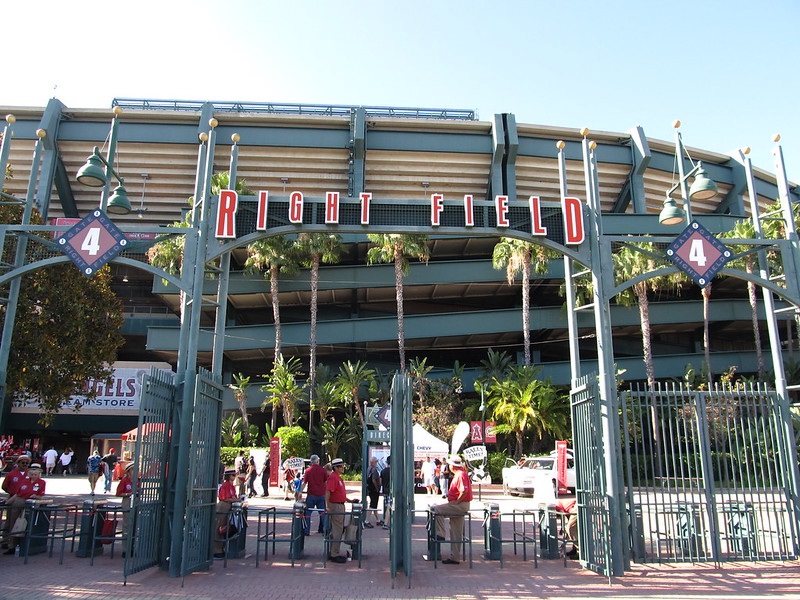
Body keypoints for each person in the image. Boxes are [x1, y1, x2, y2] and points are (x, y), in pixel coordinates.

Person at [424, 454, 473, 565]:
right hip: (460, 504)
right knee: (456, 532)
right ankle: (455, 557)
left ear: (452, 466)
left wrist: (457, 502)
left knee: (435, 510)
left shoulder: (460, 475)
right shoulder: (461, 474)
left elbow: (463, 490)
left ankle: (440, 534)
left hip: (459, 504)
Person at [3, 462, 46, 554]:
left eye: (35, 474)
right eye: (32, 473)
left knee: (24, 525)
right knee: (13, 523)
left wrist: (36, 496)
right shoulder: (24, 481)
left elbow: (41, 496)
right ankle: (11, 545)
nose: (33, 476)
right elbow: (17, 494)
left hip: (29, 504)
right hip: (18, 502)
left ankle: (22, 545)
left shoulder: (42, 482)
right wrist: (7, 502)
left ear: (39, 473)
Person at [324, 458, 357, 563]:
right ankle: (334, 554)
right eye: (341, 466)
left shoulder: (338, 478)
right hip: (336, 506)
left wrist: (349, 500)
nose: (343, 468)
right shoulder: (333, 478)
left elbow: (339, 493)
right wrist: (327, 506)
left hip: (340, 505)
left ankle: (334, 551)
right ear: (335, 468)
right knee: (337, 530)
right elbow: (328, 492)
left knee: (338, 529)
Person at [1, 455, 31, 546]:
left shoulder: (30, 474)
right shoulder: (11, 474)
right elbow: (4, 486)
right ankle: (7, 540)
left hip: (25, 500)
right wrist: (12, 493)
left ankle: (18, 541)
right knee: (10, 520)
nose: (25, 464)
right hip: (13, 499)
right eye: (23, 463)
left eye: (27, 463)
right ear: (18, 463)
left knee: (23, 521)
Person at [214, 468, 239, 559]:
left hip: (227, 507)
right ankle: (217, 550)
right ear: (228, 476)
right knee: (219, 528)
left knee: (224, 528)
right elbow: (225, 498)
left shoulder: (231, 486)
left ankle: (221, 548)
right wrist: (237, 499)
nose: (234, 477)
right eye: (233, 475)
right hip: (223, 506)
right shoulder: (226, 485)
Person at [300, 454, 327, 536]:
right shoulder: (323, 470)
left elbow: (304, 483)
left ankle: (307, 531)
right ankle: (325, 531)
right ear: (318, 461)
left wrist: (300, 492)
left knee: (308, 514)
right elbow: (326, 482)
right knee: (322, 513)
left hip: (311, 495)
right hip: (321, 495)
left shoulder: (308, 470)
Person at [116, 463, 134, 540]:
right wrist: (127, 494)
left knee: (134, 523)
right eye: (133, 469)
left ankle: (132, 545)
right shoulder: (124, 481)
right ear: (129, 471)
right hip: (127, 500)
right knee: (127, 523)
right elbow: (118, 493)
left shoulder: (136, 481)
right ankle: (125, 546)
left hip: (135, 500)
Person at [364, 456, 381, 528]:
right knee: (372, 505)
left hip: (370, 489)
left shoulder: (368, 469)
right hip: (374, 490)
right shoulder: (374, 469)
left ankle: (378, 520)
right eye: (376, 461)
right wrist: (377, 488)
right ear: (373, 462)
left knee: (374, 505)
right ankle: (366, 521)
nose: (377, 463)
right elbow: (374, 480)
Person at [379, 456, 391, 530]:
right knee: (389, 508)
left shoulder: (383, 471)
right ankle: (386, 523)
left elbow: (380, 482)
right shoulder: (394, 471)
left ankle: (386, 522)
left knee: (388, 506)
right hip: (391, 492)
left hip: (385, 491)